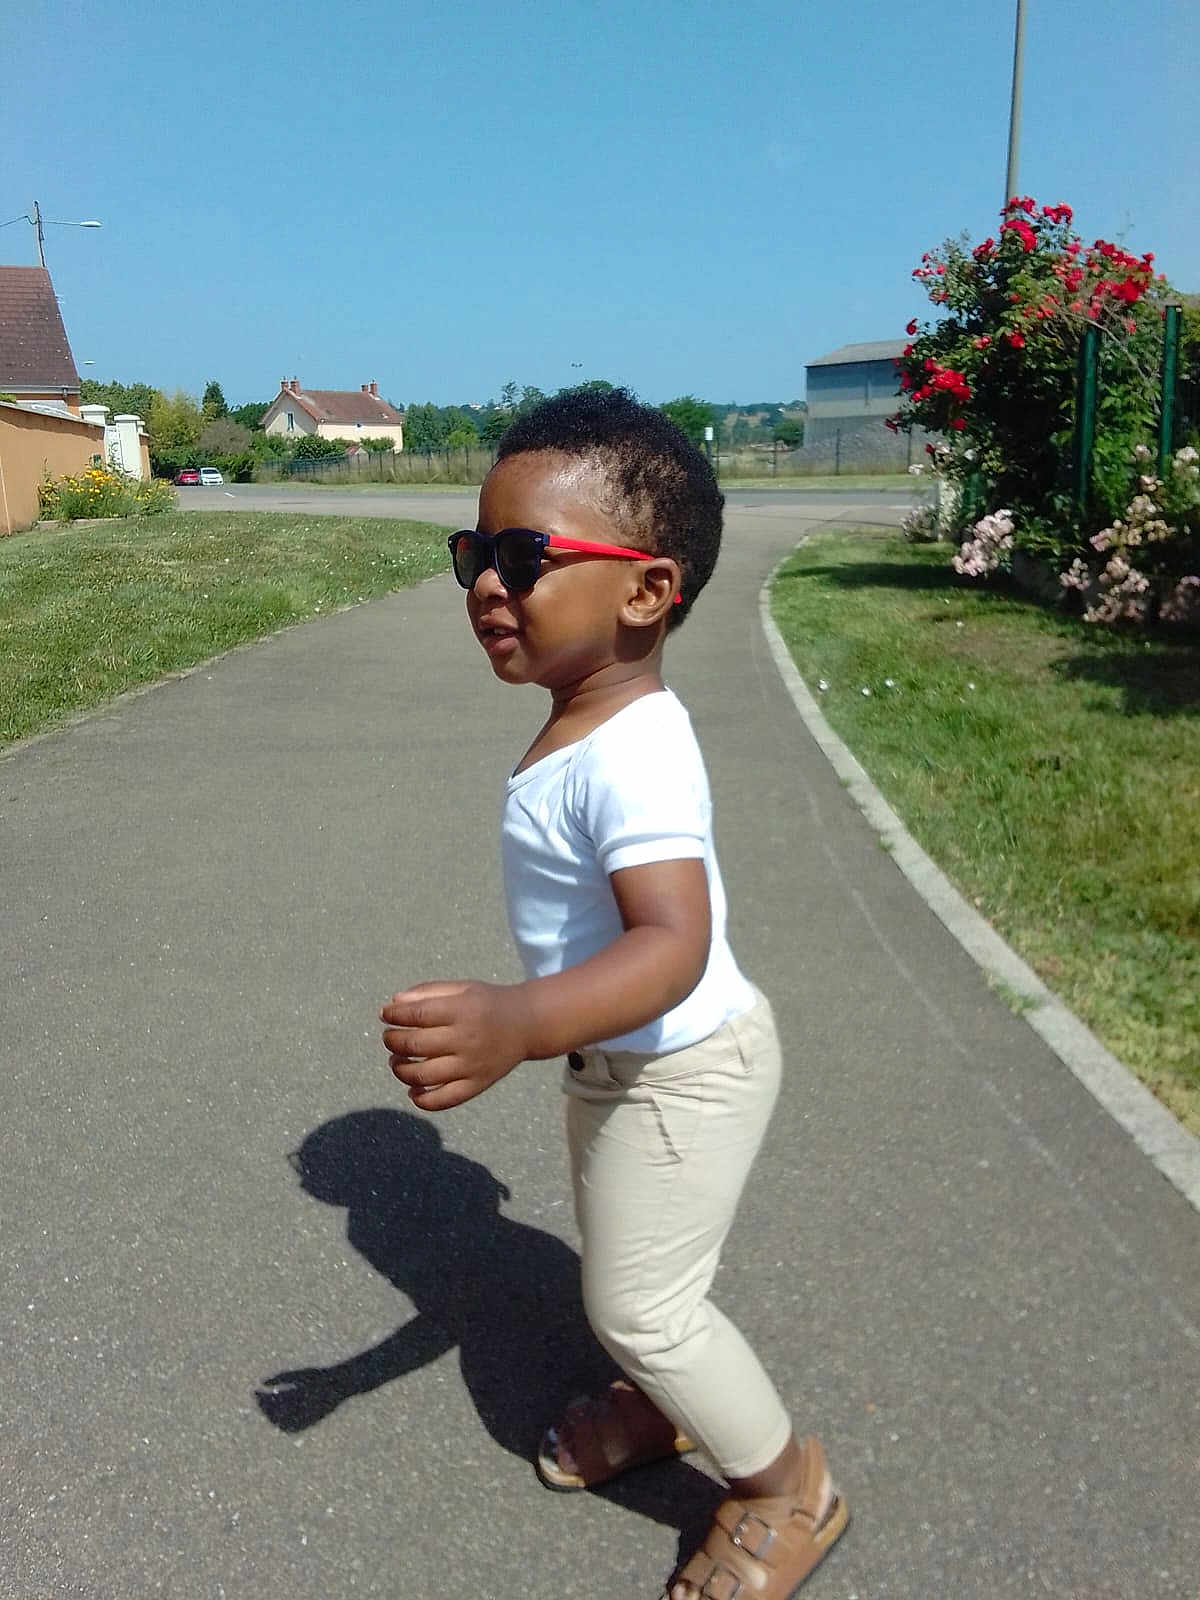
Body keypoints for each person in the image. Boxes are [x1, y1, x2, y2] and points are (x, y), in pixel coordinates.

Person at [380, 388, 848, 1599]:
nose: (486, 583)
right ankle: (664, 1401)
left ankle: (784, 1484)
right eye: (473, 555)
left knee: (642, 1301)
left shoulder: (635, 747)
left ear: (646, 591)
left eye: (523, 557)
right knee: (629, 1274)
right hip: (619, 1063)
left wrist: (518, 1021)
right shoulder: (579, 720)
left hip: (686, 1071)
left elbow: (674, 943)